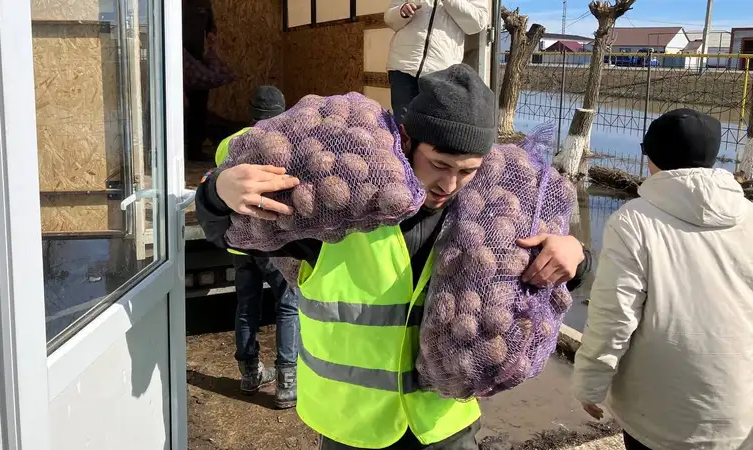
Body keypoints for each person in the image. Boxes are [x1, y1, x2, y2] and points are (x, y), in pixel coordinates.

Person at [196, 64, 591, 449]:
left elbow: (560, 274)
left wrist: (575, 255)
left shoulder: (491, 217)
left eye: (467, 171)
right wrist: (217, 193)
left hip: (443, 428)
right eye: (438, 164)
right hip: (353, 428)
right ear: (405, 139)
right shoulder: (342, 212)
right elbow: (227, 234)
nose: (449, 184)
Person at [572, 109, 753, 450]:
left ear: (651, 158)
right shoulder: (750, 218)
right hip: (739, 410)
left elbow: (614, 317)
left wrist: (589, 385)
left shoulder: (633, 223)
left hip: (659, 417)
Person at [215, 86, 299, 410]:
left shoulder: (228, 143)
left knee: (247, 306)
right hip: (274, 242)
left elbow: (221, 187)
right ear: (282, 112)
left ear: (251, 112)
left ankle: (250, 374)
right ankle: (286, 384)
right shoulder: (287, 143)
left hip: (239, 242)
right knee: (287, 305)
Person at [384, 0, 489, 123]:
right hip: (403, 66)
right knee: (404, 129)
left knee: (432, 132)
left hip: (441, 73)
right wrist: (401, 11)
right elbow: (389, 18)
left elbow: (477, 23)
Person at [183, 0, 218, 161]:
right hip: (173, 60)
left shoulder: (205, 3)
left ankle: (195, 150)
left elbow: (210, 27)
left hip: (195, 61)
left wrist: (211, 35)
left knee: (199, 103)